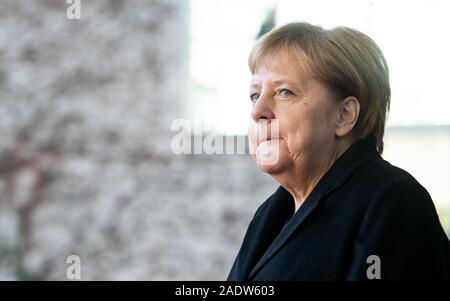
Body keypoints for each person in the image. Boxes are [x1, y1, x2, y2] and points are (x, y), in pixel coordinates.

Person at [227, 22, 450, 280]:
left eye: (284, 92)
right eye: (255, 95)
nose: (257, 112)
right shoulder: (272, 213)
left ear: (344, 115)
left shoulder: (391, 201)